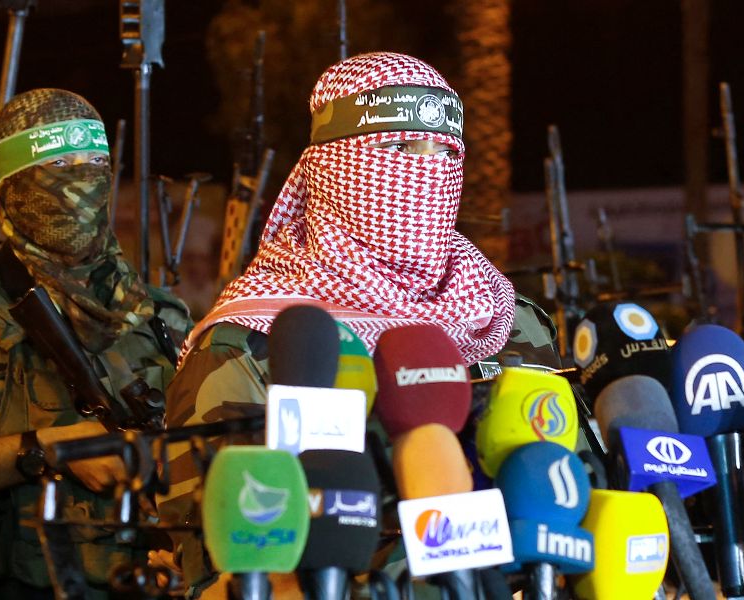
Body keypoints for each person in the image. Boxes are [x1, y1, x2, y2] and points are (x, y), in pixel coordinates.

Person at [155, 51, 564, 598]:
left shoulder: (507, 318)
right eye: (400, 147)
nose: (426, 168)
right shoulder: (253, 343)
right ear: (333, 170)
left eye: (443, 149)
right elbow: (217, 573)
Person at [0, 88, 192, 599]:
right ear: (15, 182)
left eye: (94, 161)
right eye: (61, 162)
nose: (82, 178)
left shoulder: (158, 316)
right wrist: (48, 448)